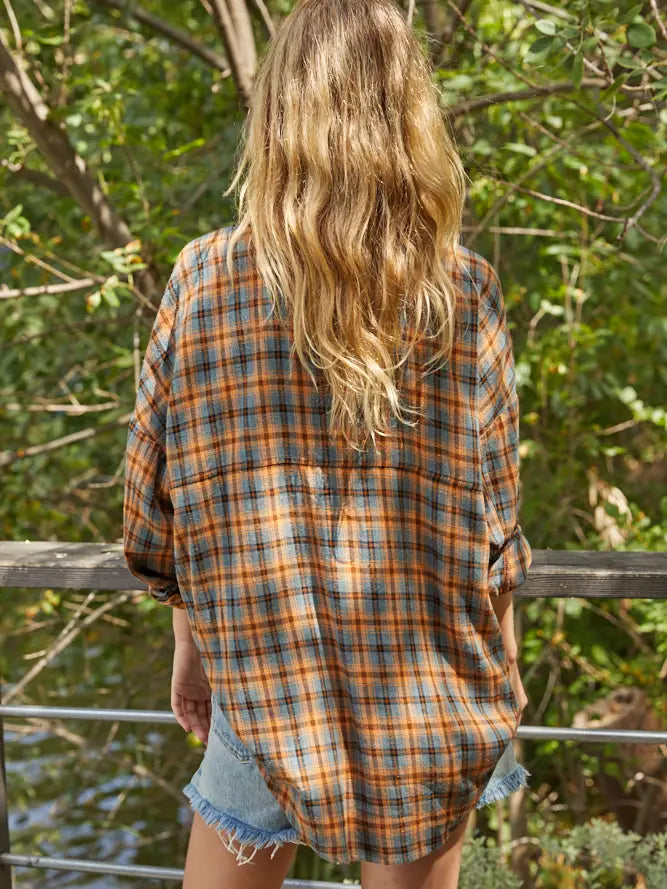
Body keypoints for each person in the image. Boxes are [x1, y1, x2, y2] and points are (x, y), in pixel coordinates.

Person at [122, 0, 533, 887]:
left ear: (278, 113)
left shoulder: (203, 279)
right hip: (428, 701)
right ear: (406, 115)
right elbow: (496, 525)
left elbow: (156, 513)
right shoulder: (463, 292)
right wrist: (504, 662)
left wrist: (192, 644)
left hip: (261, 685)